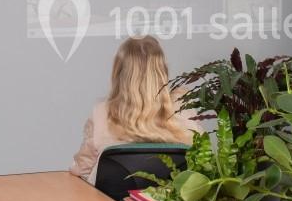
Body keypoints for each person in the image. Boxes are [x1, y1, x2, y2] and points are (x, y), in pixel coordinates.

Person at [69, 35, 200, 183]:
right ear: (162, 71)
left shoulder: (102, 113)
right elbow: (200, 166)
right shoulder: (183, 108)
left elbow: (81, 170)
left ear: (118, 72)